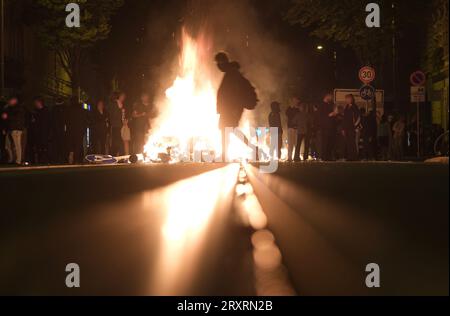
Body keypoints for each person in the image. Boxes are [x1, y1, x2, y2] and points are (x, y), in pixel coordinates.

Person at [215, 52, 258, 161]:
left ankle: (226, 154)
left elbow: (234, 93)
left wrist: (234, 109)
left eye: (218, 62)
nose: (217, 65)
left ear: (223, 62)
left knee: (228, 130)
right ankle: (226, 154)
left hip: (231, 109)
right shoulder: (231, 73)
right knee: (229, 130)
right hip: (229, 109)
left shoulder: (232, 74)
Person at [4, 96, 26, 165]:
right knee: (15, 145)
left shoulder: (16, 108)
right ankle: (17, 159)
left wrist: (7, 112)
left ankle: (18, 160)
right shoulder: (17, 108)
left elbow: (13, 118)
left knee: (17, 145)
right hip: (16, 128)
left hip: (16, 128)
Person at [29, 97, 50, 164]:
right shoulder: (36, 112)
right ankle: (40, 160)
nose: (35, 104)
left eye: (36, 103)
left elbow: (46, 123)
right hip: (37, 132)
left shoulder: (45, 112)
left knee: (44, 147)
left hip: (44, 132)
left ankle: (44, 160)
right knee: (38, 147)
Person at [66, 97, 88, 164]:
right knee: (79, 144)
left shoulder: (69, 109)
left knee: (72, 144)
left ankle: (71, 157)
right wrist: (84, 103)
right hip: (80, 129)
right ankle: (77, 159)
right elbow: (89, 108)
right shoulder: (82, 107)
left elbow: (67, 120)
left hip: (71, 129)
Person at [318, 93, 337, 161]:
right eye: (330, 97)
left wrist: (334, 113)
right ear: (326, 97)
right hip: (325, 127)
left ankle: (328, 156)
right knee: (325, 142)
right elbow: (320, 116)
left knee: (330, 142)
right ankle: (324, 157)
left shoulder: (330, 105)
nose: (331, 98)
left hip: (331, 127)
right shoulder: (321, 105)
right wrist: (330, 114)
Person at [342, 94, 361, 161]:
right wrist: (343, 129)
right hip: (346, 128)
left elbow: (358, 117)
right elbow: (344, 119)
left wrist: (355, 126)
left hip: (352, 128)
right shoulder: (346, 107)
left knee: (352, 142)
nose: (346, 100)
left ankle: (354, 157)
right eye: (346, 99)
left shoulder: (354, 107)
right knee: (348, 143)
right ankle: (350, 156)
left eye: (347, 99)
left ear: (351, 99)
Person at [109, 91, 128, 156]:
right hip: (115, 125)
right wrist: (119, 109)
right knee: (116, 141)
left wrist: (125, 120)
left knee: (120, 141)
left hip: (121, 125)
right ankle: (113, 155)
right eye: (122, 96)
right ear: (119, 96)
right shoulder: (114, 103)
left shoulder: (122, 104)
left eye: (124, 97)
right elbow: (113, 115)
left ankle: (117, 155)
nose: (123, 98)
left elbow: (123, 115)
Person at [286, 97, 300, 162]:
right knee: (290, 143)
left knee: (296, 144)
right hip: (290, 128)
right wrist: (292, 107)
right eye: (295, 100)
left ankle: (296, 157)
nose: (296, 101)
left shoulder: (298, 109)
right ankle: (289, 157)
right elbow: (288, 114)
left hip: (296, 128)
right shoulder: (289, 109)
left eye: (297, 100)